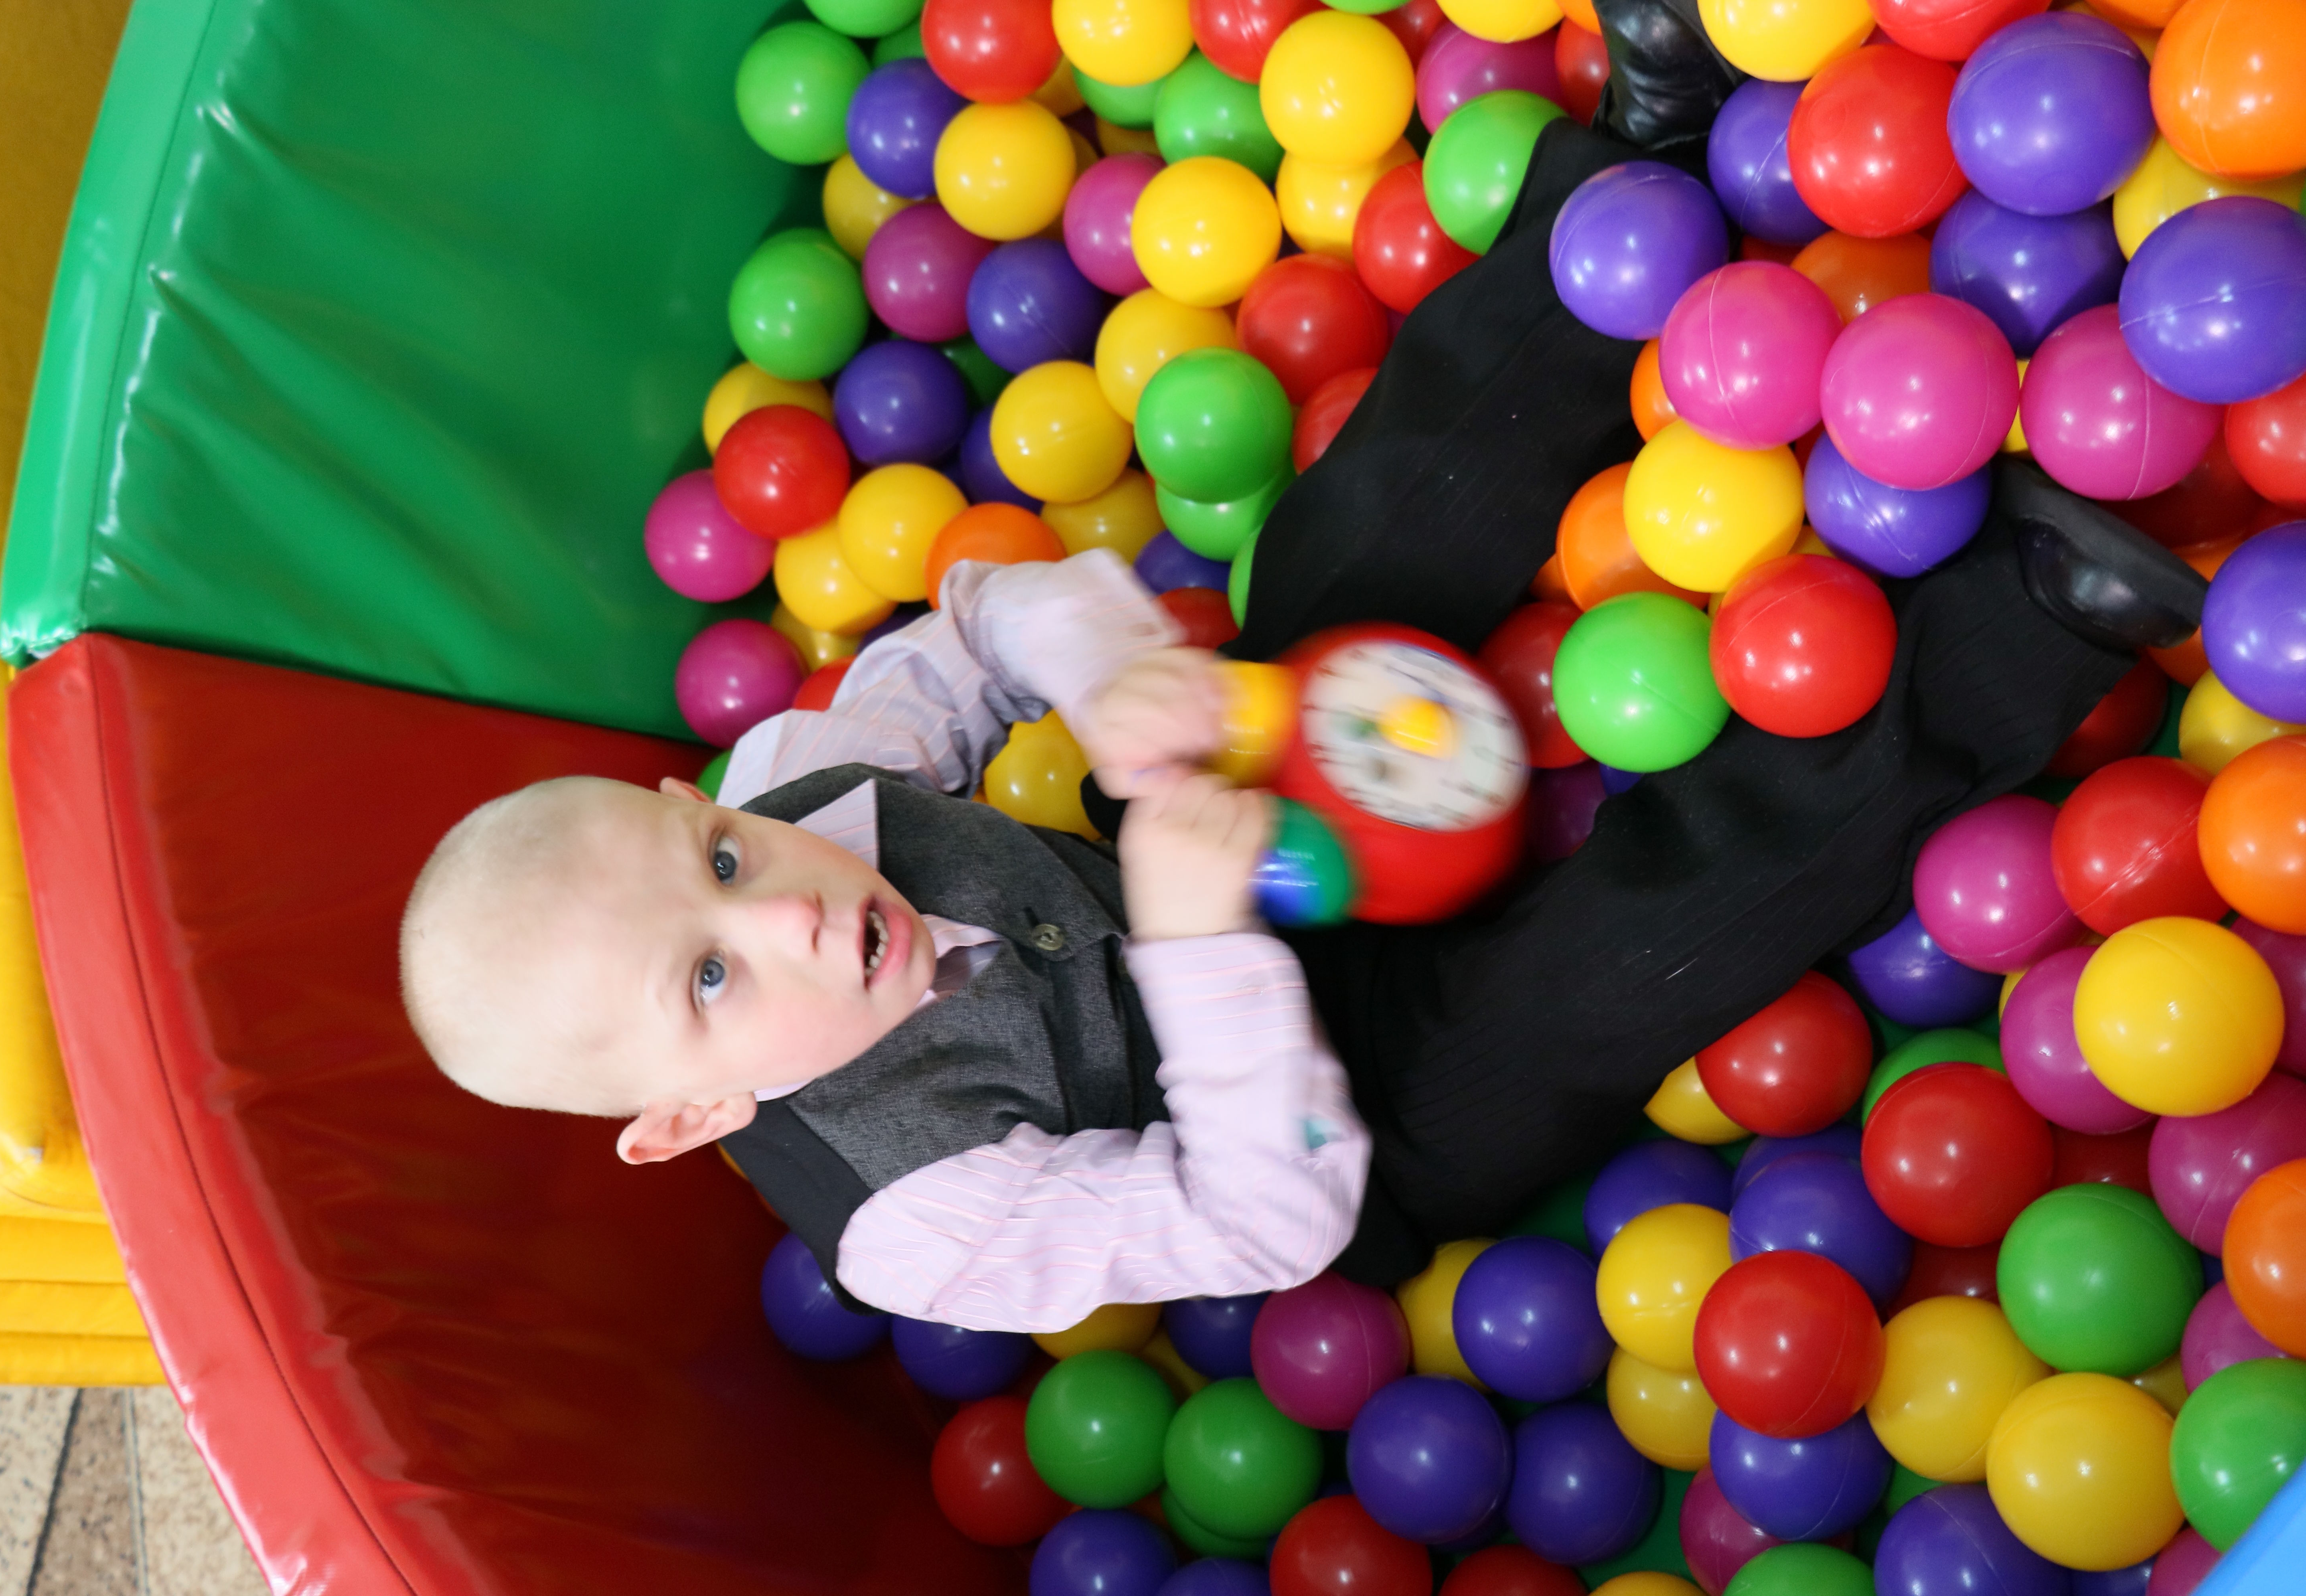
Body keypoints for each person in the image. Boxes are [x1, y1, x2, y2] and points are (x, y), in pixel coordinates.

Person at [398, 18, 2209, 1330]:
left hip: (1218, 831)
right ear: (692, 1120)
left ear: (699, 799)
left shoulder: (804, 776)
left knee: (1353, 557)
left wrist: (1107, 676)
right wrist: (1203, 955)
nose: (787, 910)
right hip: (1343, 1114)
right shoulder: (919, 1224)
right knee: (1606, 981)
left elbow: (981, 620)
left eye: (723, 862)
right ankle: (2025, 625)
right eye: (712, 978)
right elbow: (1263, 1221)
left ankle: (1617, 210)